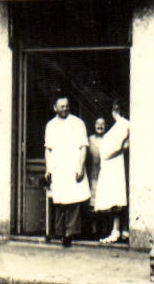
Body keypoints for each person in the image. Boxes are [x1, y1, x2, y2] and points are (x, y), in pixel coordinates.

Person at [43, 94, 90, 248]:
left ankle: (70, 233)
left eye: (66, 106)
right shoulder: (51, 125)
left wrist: (81, 167)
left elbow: (83, 147)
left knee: (73, 202)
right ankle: (59, 232)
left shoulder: (78, 123)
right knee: (60, 202)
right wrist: (48, 168)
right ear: (55, 108)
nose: (65, 109)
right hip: (58, 168)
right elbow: (48, 149)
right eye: (61, 106)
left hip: (72, 167)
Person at [95, 101, 130, 243]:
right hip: (113, 165)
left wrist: (116, 149)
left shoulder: (123, 125)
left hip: (116, 165)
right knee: (115, 199)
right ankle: (120, 229)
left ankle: (118, 230)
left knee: (117, 199)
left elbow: (116, 148)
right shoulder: (118, 127)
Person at [86, 116, 107, 239]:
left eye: (102, 124)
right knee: (93, 204)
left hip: (105, 175)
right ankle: (93, 231)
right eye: (97, 124)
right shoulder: (90, 140)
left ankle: (104, 230)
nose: (100, 126)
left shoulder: (109, 139)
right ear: (94, 126)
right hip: (93, 174)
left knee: (104, 204)